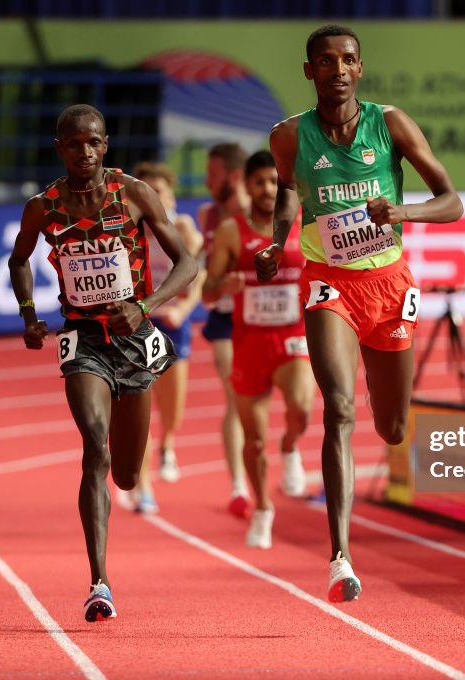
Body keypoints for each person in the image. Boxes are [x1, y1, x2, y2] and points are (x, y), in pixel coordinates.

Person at [255, 25, 464, 602]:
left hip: (390, 285)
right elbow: (287, 194)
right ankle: (340, 556)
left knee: (393, 426)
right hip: (330, 284)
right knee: (338, 408)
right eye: (325, 61)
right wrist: (278, 241)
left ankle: (382, 412)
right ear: (309, 72)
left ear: (360, 67)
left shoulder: (390, 124)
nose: (337, 69)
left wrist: (399, 212)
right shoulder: (288, 137)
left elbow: (453, 201)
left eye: (347, 60)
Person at [8, 104, 198, 622]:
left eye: (92, 142)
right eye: (73, 144)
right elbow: (19, 258)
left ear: (105, 144)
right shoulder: (43, 207)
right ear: (59, 149)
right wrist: (29, 314)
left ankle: (127, 482)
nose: (84, 152)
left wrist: (148, 304)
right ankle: (99, 581)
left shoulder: (133, 193)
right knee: (96, 443)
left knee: (130, 476)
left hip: (134, 337)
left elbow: (188, 262)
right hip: (83, 338)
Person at [204, 150, 314, 549]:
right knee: (253, 438)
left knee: (302, 406)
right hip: (249, 342)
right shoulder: (233, 231)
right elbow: (207, 290)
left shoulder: (305, 221)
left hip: (292, 335)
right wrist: (225, 286)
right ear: (246, 187)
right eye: (259, 183)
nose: (268, 189)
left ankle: (290, 446)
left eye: (275, 182)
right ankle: (264, 507)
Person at [110, 161, 204, 514]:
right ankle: (145, 488)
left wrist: (183, 309)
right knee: (142, 405)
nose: (151, 198)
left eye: (158, 192)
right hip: (139, 326)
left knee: (172, 408)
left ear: (170, 196)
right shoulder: (126, 230)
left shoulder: (181, 227)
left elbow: (198, 275)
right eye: (143, 192)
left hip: (174, 323)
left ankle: (168, 444)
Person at [198, 143, 252, 518]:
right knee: (235, 397)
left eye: (213, 175)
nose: (205, 181)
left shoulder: (262, 213)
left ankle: (291, 452)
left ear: (234, 177)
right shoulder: (207, 215)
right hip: (225, 318)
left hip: (268, 319)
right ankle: (238, 485)